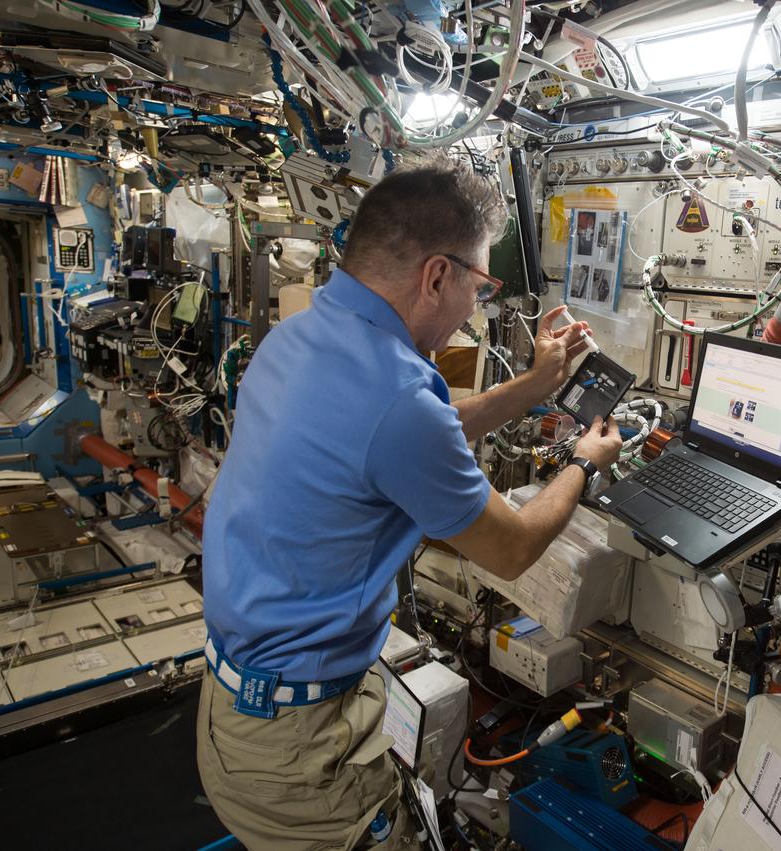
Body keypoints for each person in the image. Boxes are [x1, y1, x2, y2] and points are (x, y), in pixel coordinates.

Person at [196, 156, 622, 849]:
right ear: (436, 275)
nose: (473, 307)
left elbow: (403, 431)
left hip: (237, 708)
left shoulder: (303, 334)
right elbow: (511, 548)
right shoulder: (395, 395)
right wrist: (583, 463)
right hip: (299, 752)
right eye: (480, 286)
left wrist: (533, 387)